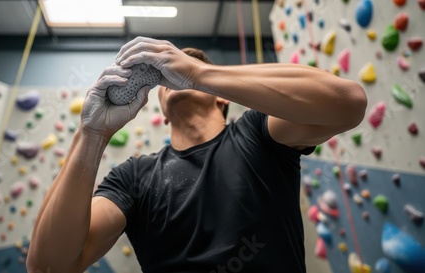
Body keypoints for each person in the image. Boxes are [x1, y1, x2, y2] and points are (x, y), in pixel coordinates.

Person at [27, 37, 367, 273]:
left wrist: (197, 74)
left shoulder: (258, 134)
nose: (177, 76)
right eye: (169, 79)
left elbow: (347, 102)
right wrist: (91, 134)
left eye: (191, 67)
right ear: (160, 108)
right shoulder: (133, 177)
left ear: (221, 99)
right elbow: (50, 266)